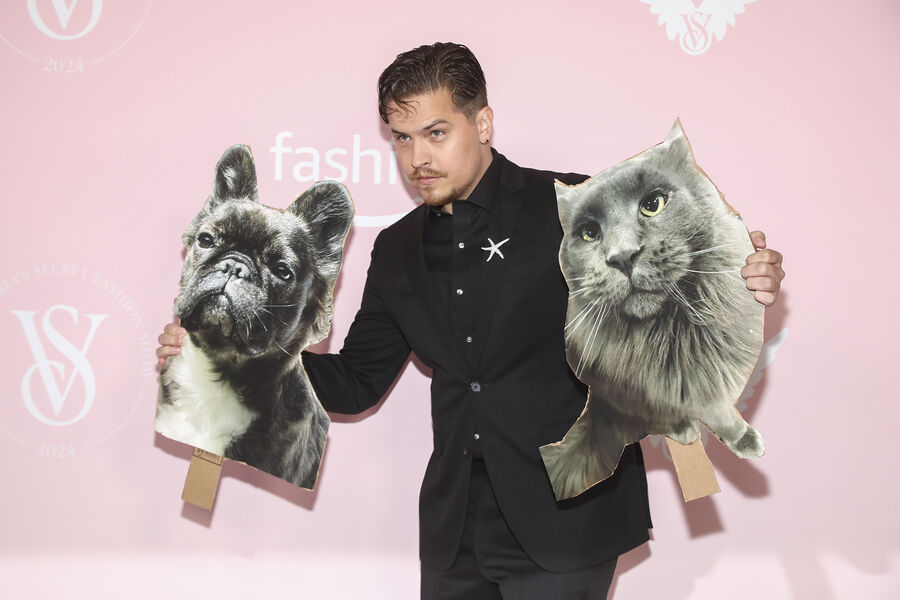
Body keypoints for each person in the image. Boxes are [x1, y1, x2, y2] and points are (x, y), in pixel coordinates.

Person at [157, 43, 785, 599]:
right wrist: (221, 356)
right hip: (455, 528)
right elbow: (356, 381)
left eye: (435, 133)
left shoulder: (573, 206)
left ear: (482, 123)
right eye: (402, 138)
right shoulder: (396, 249)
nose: (417, 157)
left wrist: (747, 275)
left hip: (568, 516)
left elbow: (679, 277)